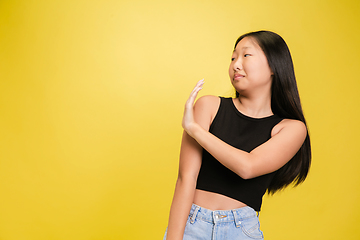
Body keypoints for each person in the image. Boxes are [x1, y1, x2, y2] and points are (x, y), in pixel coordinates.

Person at [163, 30, 311, 240]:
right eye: (233, 57)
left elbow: (248, 167)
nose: (236, 64)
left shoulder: (291, 128)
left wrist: (195, 130)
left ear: (273, 65)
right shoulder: (209, 106)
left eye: (246, 55)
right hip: (191, 225)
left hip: (241, 231)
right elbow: (186, 178)